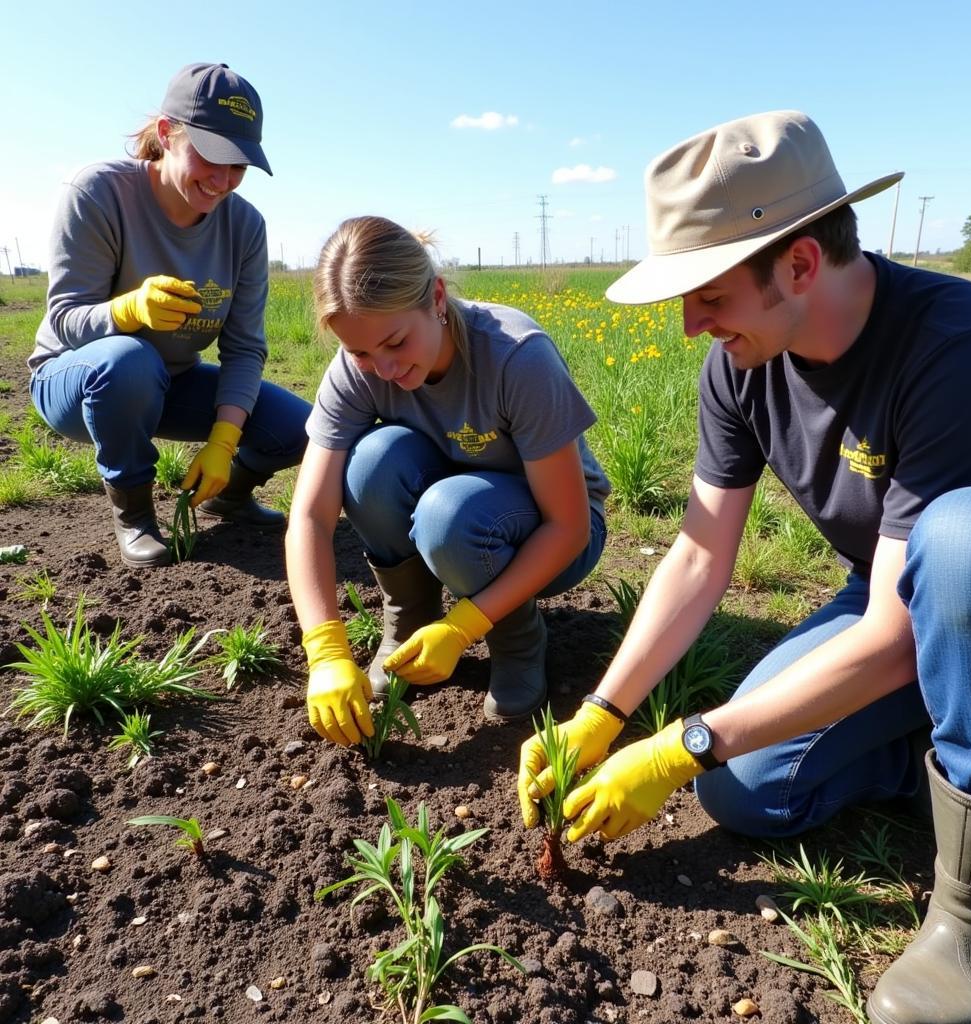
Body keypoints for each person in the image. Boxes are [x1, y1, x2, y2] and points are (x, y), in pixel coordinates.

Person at [517, 111, 971, 1024]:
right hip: (887, 596)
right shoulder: (743, 364)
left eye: (706, 291)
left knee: (965, 536)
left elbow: (904, 626)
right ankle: (947, 761)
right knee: (746, 789)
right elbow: (702, 553)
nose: (687, 324)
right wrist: (606, 713)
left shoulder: (958, 341)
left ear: (798, 264)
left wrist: (686, 739)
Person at [285, 215, 609, 743]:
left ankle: (517, 638)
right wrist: (324, 649)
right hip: (455, 508)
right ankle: (409, 618)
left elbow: (569, 526)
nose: (382, 368)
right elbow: (309, 516)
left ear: (436, 297)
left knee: (447, 514)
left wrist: (465, 628)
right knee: (370, 463)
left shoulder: (515, 356)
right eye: (360, 352)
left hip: (559, 530)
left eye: (395, 342)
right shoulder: (355, 370)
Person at [30, 62, 311, 567]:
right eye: (210, 156)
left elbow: (244, 346)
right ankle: (134, 513)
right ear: (166, 133)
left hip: (172, 383)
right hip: (75, 378)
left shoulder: (244, 227)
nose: (223, 180)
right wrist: (129, 308)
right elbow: (66, 319)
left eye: (239, 166)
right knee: (129, 360)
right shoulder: (97, 193)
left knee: (299, 428)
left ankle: (229, 494)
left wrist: (225, 439)